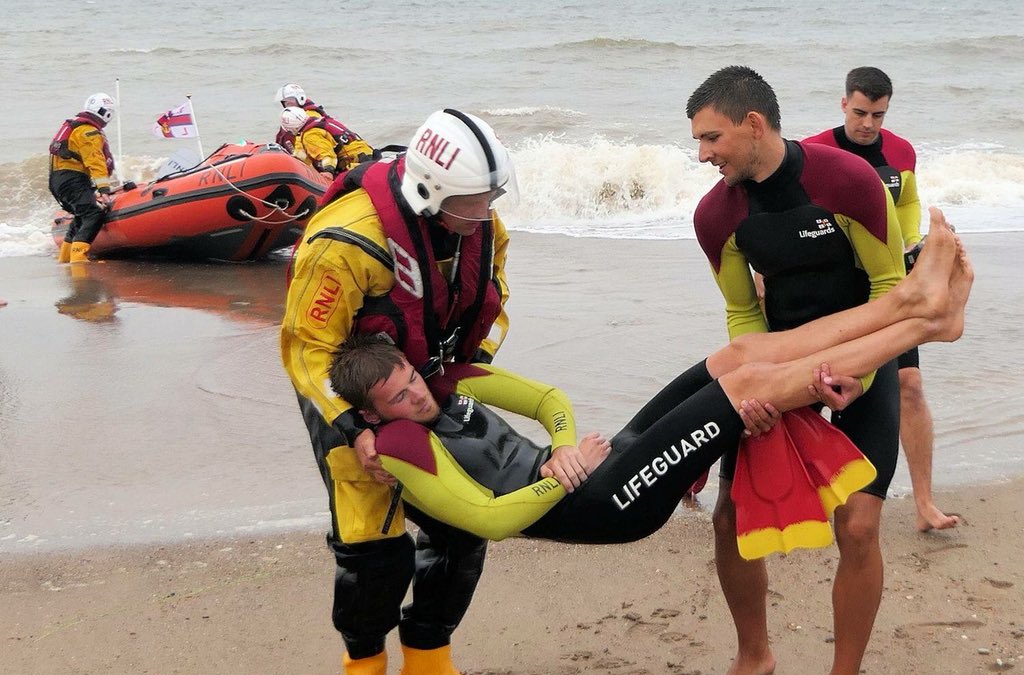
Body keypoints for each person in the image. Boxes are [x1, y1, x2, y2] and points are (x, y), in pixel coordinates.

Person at [329, 216, 969, 551]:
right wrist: (562, 477)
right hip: (603, 506)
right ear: (374, 415)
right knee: (748, 387)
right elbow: (487, 521)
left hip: (596, 465)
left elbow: (547, 401)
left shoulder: (445, 382)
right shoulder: (397, 448)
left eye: (410, 376)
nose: (416, 393)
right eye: (400, 398)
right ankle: (927, 327)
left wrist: (565, 444)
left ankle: (905, 300)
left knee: (735, 355)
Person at [686, 65, 908, 675]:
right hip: (781, 371)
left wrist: (859, 375)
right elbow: (741, 312)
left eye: (711, 137)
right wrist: (761, 388)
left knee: (861, 528)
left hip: (863, 362)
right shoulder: (717, 215)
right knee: (730, 519)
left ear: (754, 125)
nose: (703, 155)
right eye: (697, 141)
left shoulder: (847, 182)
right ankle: (755, 650)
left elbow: (889, 283)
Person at [280, 109, 516, 675]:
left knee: (464, 530)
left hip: (428, 386)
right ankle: (363, 674)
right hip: (350, 401)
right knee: (373, 551)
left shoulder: (482, 225)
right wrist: (355, 430)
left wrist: (464, 377)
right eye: (476, 201)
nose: (488, 211)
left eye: (493, 197)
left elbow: (495, 303)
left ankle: (428, 666)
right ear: (430, 194)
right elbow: (307, 349)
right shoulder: (345, 242)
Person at [804, 66, 958, 533]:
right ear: (842, 103)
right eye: (860, 112)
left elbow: (907, 199)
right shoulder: (814, 152)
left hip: (889, 288)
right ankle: (796, 501)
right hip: (828, 289)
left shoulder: (901, 151)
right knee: (807, 392)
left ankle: (925, 504)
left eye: (878, 114)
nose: (868, 124)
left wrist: (910, 238)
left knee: (908, 384)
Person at [48, 93, 117, 264]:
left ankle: (65, 256)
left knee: (81, 215)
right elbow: (96, 161)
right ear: (106, 113)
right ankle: (79, 257)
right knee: (93, 213)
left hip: (60, 179)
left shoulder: (76, 127)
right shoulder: (88, 131)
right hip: (72, 179)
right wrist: (104, 190)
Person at [279, 107, 373, 176]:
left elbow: (327, 155)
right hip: (366, 152)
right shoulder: (320, 121)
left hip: (357, 162)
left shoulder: (310, 135)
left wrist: (329, 172)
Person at [273, 83, 330, 153]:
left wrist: (297, 155)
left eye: (290, 99)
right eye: (285, 101)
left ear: (300, 98)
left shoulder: (310, 116)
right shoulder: (292, 116)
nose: (288, 103)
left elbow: (304, 139)